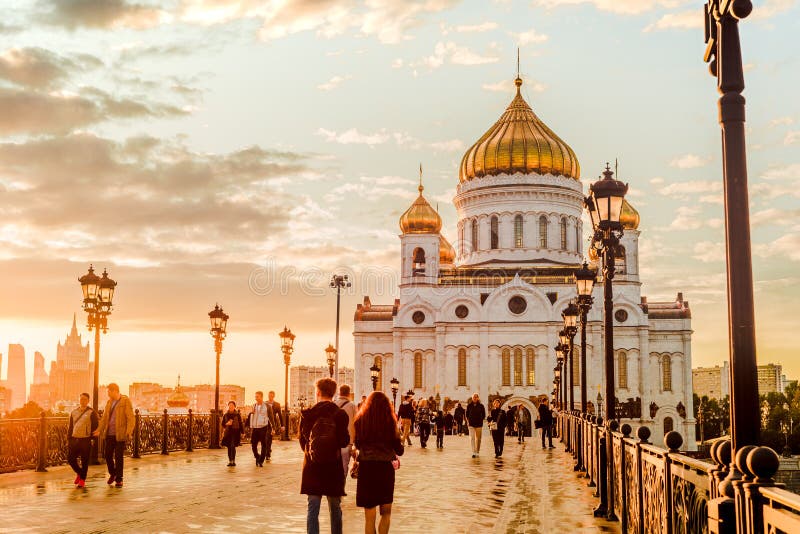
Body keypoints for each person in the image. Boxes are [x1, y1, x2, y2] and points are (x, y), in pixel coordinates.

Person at [299, 377, 350, 534]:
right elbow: (344, 441)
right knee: (335, 508)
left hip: (312, 466)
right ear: (334, 394)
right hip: (333, 466)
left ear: (318, 392)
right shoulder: (340, 414)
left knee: (313, 509)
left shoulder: (308, 414)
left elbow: (302, 442)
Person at [354, 391, 404, 534]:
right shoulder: (390, 421)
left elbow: (357, 444)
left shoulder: (360, 420)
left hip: (367, 469)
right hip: (384, 470)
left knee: (369, 517)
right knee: (386, 513)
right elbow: (399, 450)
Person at [95, 383, 134, 488]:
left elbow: (131, 417)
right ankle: (113, 473)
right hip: (109, 434)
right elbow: (104, 419)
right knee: (107, 455)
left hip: (120, 434)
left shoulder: (125, 401)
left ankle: (119, 479)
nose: (107, 393)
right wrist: (99, 430)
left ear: (115, 391)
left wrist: (129, 431)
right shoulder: (109, 402)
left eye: (109, 391)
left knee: (118, 456)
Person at [67, 392, 98, 488]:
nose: (83, 401)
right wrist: (69, 439)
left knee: (85, 461)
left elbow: (95, 426)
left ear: (88, 401)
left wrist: (93, 439)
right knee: (70, 459)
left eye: (85, 399)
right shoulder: (74, 412)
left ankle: (82, 480)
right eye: (81, 399)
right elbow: (71, 427)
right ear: (79, 400)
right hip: (75, 439)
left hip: (86, 439)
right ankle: (80, 473)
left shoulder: (92, 412)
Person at [247, 390, 279, 466]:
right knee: (253, 444)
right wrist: (249, 424)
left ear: (261, 397)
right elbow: (251, 416)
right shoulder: (254, 405)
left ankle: (261, 461)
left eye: (257, 397)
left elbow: (271, 418)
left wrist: (273, 428)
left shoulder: (267, 406)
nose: (256, 398)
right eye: (255, 397)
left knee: (263, 444)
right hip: (255, 427)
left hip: (263, 427)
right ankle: (257, 456)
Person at [335, 384, 357, 478]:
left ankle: (333, 489)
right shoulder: (352, 406)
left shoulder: (333, 404)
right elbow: (356, 424)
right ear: (349, 393)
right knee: (344, 467)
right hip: (347, 442)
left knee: (334, 467)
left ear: (339, 392)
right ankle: (340, 489)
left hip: (333, 442)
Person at [221, 401, 243, 466]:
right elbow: (222, 424)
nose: (231, 406)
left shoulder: (237, 415)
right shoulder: (226, 415)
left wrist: (242, 432)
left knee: (233, 446)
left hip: (235, 432)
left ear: (234, 406)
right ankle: (230, 461)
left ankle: (233, 461)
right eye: (230, 405)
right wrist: (226, 424)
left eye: (232, 405)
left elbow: (241, 423)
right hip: (228, 433)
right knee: (229, 447)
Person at [465, 393, 485, 458]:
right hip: (471, 424)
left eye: (476, 397)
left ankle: (477, 452)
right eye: (474, 397)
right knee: (472, 438)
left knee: (478, 439)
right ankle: (473, 452)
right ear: (472, 398)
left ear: (478, 398)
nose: (475, 398)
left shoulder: (481, 406)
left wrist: (481, 419)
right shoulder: (469, 406)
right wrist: (468, 421)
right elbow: (467, 415)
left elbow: (484, 415)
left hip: (479, 424)